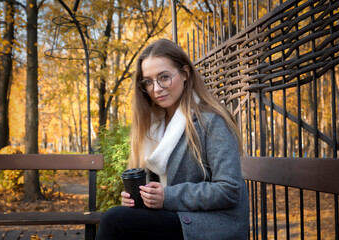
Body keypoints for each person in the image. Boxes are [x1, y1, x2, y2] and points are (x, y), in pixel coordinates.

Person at [96, 38, 249, 240]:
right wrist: (140, 199)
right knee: (120, 218)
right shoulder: (154, 125)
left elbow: (228, 189)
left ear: (185, 74)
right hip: (174, 217)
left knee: (115, 220)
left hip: (211, 224)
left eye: (164, 77)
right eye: (148, 82)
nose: (156, 88)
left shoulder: (211, 121)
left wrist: (166, 197)